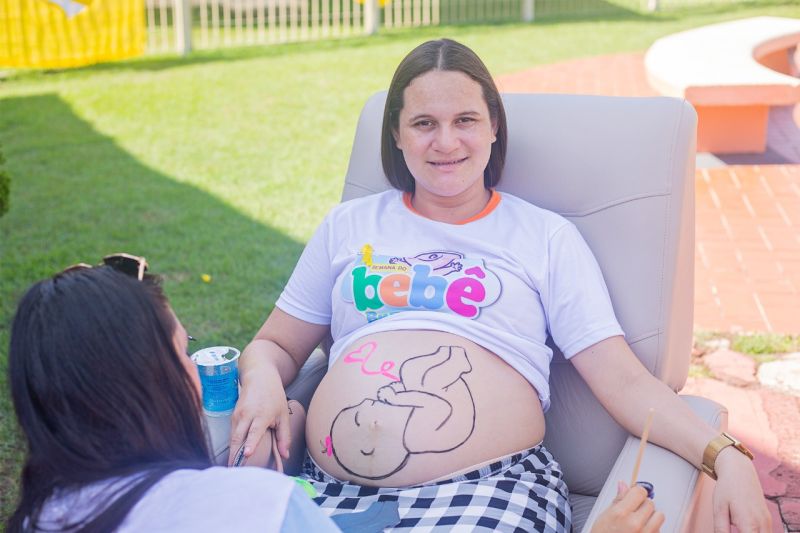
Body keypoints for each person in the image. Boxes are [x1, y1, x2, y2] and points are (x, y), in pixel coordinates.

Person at [230, 38, 771, 532]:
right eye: (423, 123)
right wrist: (262, 380)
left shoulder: (543, 237)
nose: (446, 142)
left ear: (493, 126)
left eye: (465, 120)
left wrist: (728, 457)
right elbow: (276, 345)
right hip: (330, 493)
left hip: (488, 491)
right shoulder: (348, 226)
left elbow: (626, 382)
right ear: (396, 134)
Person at [6, 259, 339, 532]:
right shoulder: (264, 507)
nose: (195, 372)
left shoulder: (34, 519)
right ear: (152, 383)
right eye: (183, 350)